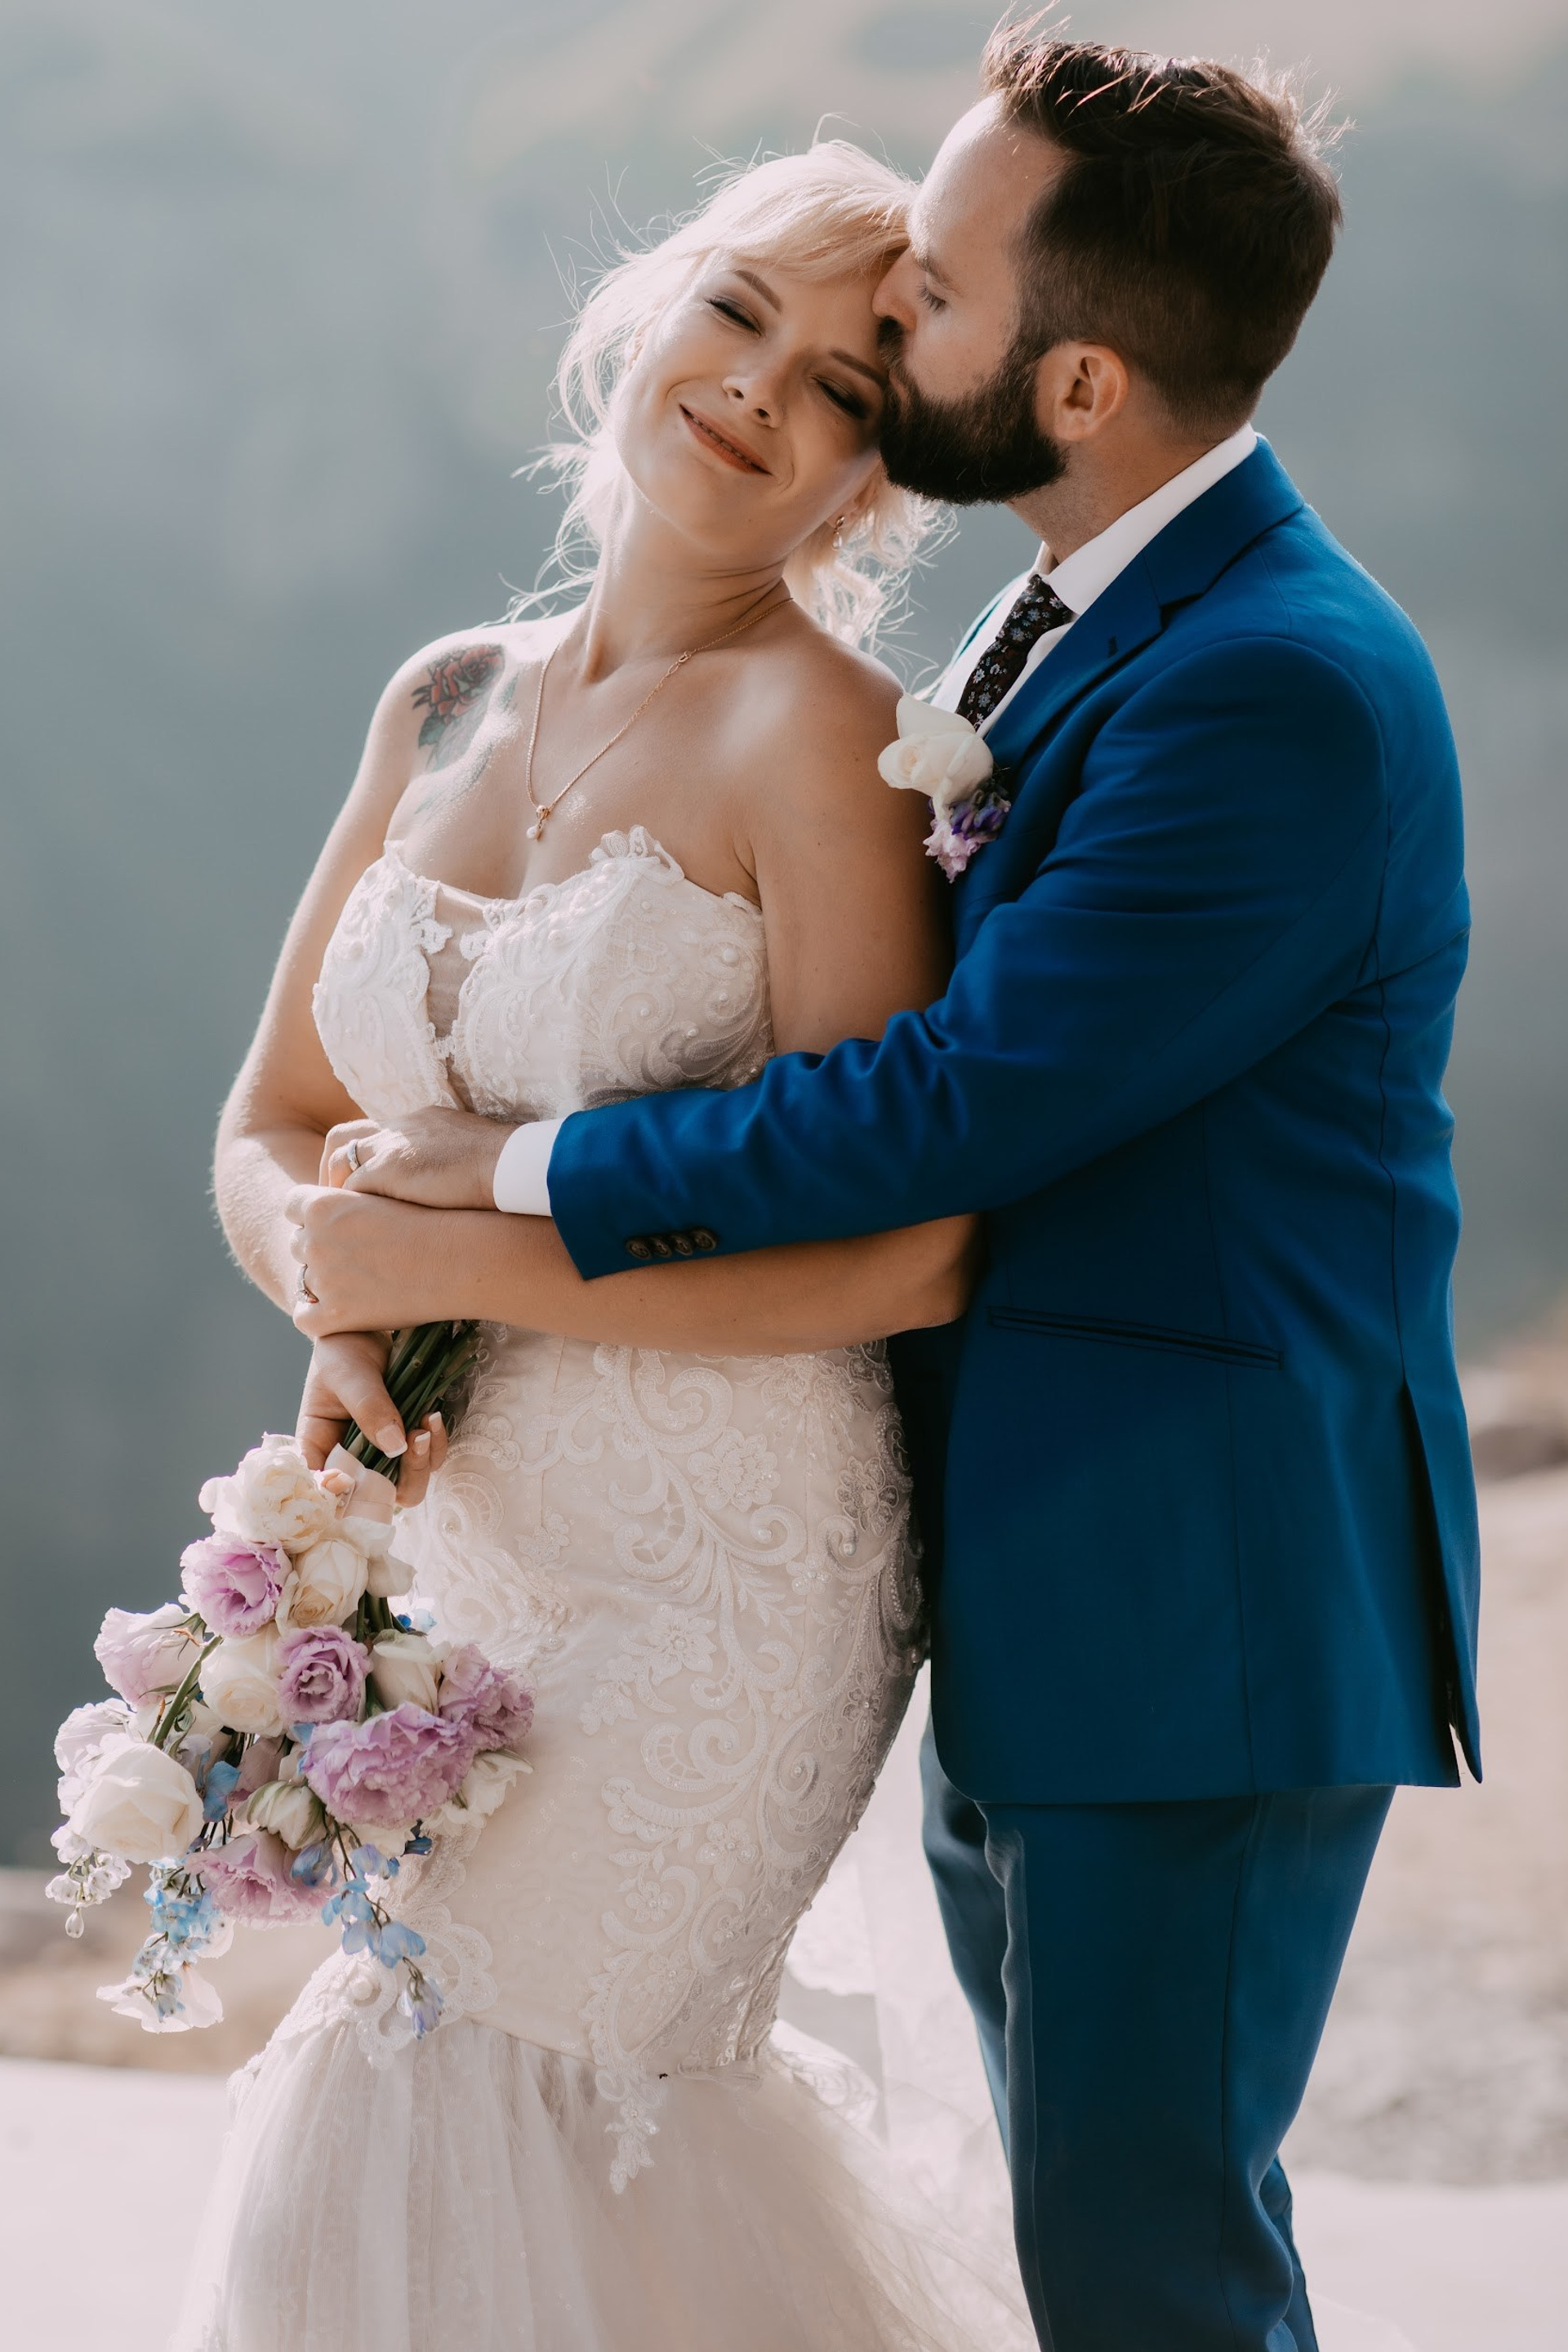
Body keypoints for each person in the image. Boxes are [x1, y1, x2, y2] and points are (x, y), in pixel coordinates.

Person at [296, 30, 1479, 2352]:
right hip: (1045, 1585)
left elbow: (953, 1103)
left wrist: (501, 1171)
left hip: (1194, 1605)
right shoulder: (1089, 616)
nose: (887, 317)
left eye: (928, 295)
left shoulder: (1275, 685)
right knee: (1104, 2261)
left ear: (1080, 382)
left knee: (1155, 2280)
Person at [189, 140, 1032, 2352]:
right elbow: (268, 1122)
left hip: (728, 1574)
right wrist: (324, 1275)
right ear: (649, 304)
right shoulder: (445, 696)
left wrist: (441, 1271)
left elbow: (908, 1253)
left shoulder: (827, 750)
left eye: (846, 387)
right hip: (480, 1564)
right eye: (740, 309)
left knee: (460, 2108)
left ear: (878, 479)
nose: (760, 390)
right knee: (426, 2157)